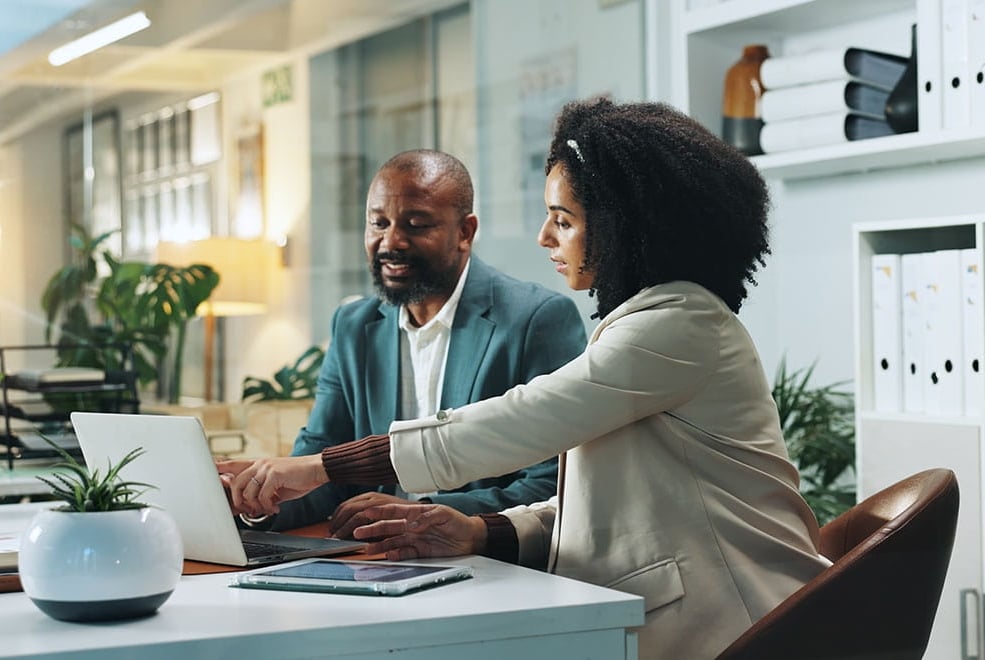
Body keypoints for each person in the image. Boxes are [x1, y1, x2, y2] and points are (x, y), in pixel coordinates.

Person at [219, 98, 830, 659]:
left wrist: (325, 467)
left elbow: (517, 422)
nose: (543, 238)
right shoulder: (645, 322)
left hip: (742, 623)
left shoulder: (681, 324)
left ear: (624, 227)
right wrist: (479, 531)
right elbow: (598, 509)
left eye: (562, 221)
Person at [247, 149, 586, 532]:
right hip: (371, 561)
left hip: (485, 562)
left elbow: (553, 482)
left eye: (416, 224)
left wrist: (422, 512)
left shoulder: (536, 320)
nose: (392, 241)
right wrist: (255, 503)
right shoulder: (354, 325)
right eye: (378, 223)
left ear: (465, 232)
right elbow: (320, 468)